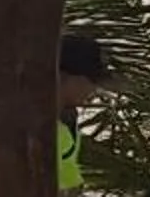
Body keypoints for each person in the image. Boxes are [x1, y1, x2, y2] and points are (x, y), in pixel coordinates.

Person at [57, 31, 114, 193]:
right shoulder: (20, 121)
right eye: (92, 81)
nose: (94, 90)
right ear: (62, 76)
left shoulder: (68, 121)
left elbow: (67, 186)